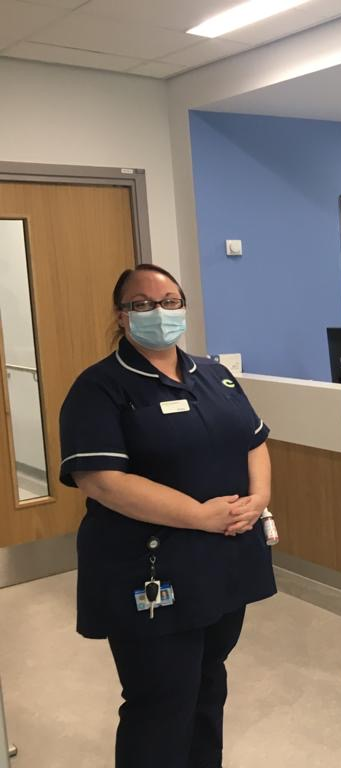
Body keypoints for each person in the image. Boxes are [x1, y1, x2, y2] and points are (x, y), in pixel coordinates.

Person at [58, 264, 276, 768]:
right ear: (121, 314)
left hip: (223, 564)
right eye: (143, 304)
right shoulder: (100, 388)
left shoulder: (216, 375)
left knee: (208, 684)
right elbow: (102, 480)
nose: (161, 312)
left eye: (171, 301)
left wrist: (258, 499)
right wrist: (200, 516)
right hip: (149, 570)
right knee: (161, 702)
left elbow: (255, 441)